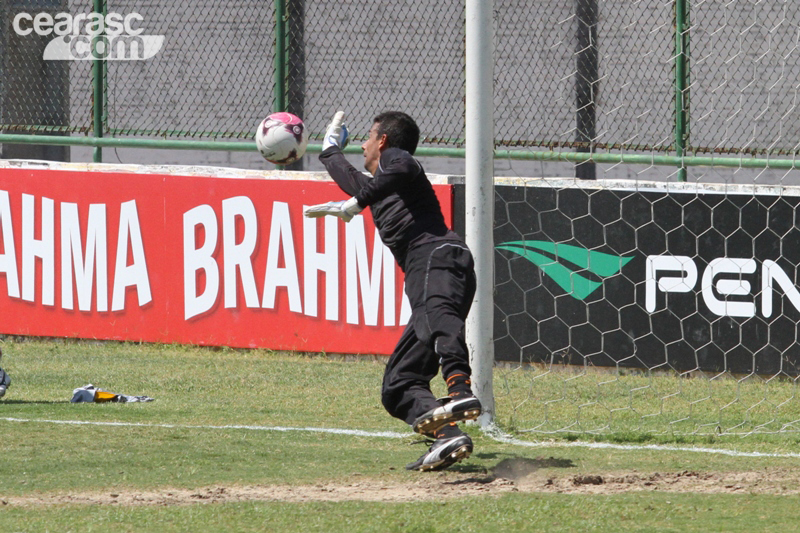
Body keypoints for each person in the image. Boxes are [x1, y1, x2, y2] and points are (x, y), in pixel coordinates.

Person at [304, 111, 482, 471]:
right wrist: (329, 150)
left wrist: (355, 204)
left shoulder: (398, 159)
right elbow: (352, 180)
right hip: (429, 269)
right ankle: (447, 435)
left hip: (437, 257)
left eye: (368, 137)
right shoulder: (381, 186)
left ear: (383, 141)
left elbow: (392, 172)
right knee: (399, 384)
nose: (363, 145)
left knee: (436, 320)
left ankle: (460, 390)